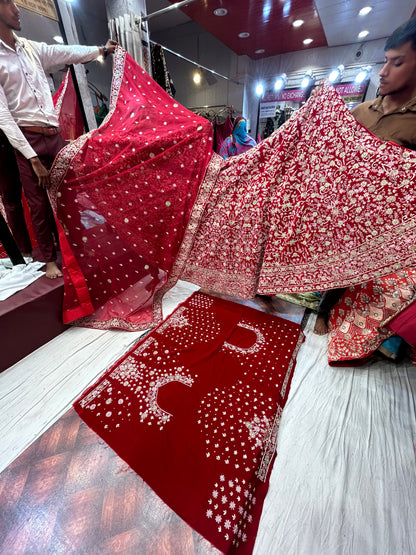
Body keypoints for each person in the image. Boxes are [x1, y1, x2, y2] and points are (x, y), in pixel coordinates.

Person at [313, 15, 416, 338]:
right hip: (341, 214)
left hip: (381, 228)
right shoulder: (359, 112)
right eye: (384, 62)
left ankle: (331, 311)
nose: (382, 73)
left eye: (396, 63)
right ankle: (322, 304)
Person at [0, 0, 117, 278]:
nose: (16, 9)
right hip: (27, 137)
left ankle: (77, 247)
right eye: (7, 3)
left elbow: (65, 52)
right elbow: (3, 116)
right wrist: (30, 157)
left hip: (54, 134)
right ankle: (49, 259)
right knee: (38, 202)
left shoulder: (30, 48)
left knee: (69, 195)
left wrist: (100, 50)